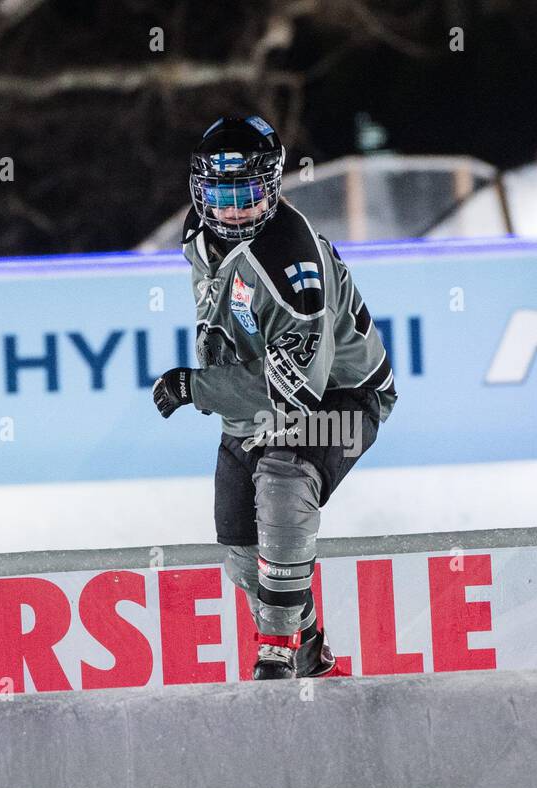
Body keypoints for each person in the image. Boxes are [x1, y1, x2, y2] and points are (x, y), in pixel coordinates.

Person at [152, 115, 397, 679]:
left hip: (343, 400)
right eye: (222, 193)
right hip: (258, 393)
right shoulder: (201, 230)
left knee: (284, 475)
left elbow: (296, 394)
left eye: (248, 193)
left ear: (275, 187)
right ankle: (313, 658)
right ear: (200, 191)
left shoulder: (292, 268)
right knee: (242, 552)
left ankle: (278, 650)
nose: (234, 209)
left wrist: (197, 386)